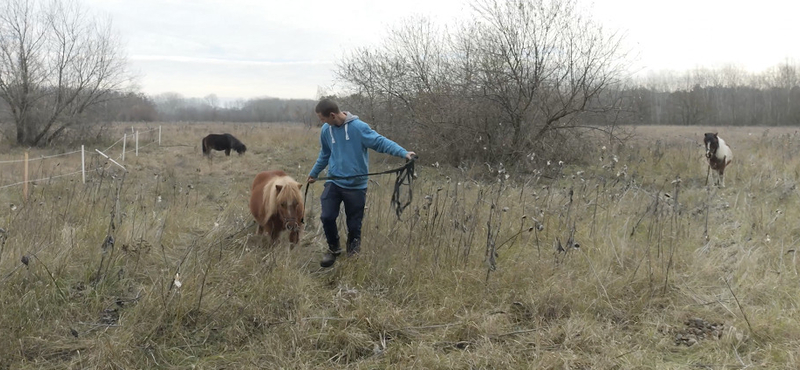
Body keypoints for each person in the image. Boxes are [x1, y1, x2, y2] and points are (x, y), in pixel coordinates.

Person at [307, 99, 416, 268]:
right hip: (334, 181)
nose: (321, 122)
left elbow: (380, 142)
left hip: (356, 186)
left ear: (332, 115)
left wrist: (403, 153)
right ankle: (334, 249)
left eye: (322, 118)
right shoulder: (326, 130)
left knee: (354, 224)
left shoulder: (358, 128)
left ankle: (353, 256)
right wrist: (313, 173)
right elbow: (325, 154)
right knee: (327, 217)